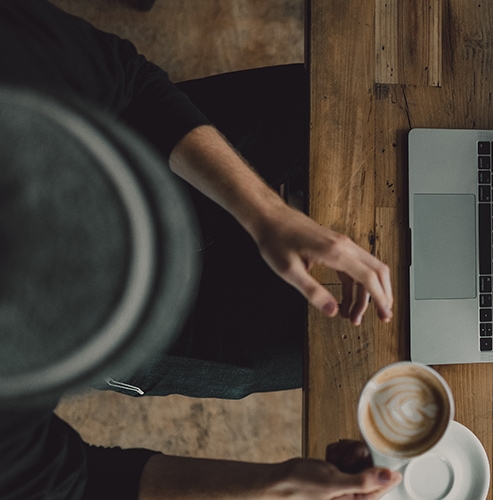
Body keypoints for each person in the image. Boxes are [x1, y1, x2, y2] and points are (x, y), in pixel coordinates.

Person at [0, 1, 401, 498]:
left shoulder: (13, 58)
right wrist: (274, 481)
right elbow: (80, 482)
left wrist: (264, 210)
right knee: (350, 353)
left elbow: (128, 81)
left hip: (157, 150)